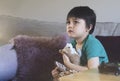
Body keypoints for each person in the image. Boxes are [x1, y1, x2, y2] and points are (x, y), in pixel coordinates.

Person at [51, 6, 109, 80]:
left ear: (88, 27)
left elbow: (93, 71)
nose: (70, 26)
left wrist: (68, 64)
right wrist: (60, 73)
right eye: (68, 22)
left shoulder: (92, 43)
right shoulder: (72, 44)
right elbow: (76, 68)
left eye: (76, 22)